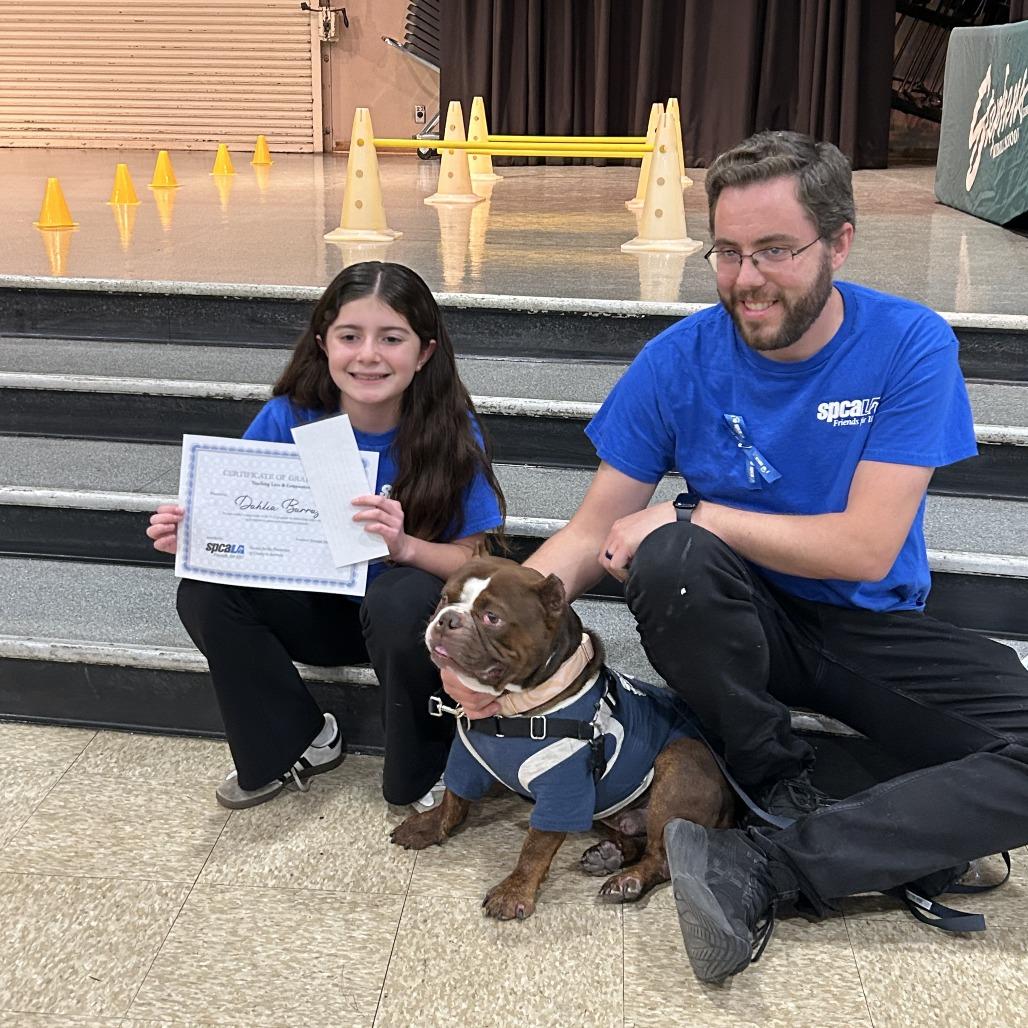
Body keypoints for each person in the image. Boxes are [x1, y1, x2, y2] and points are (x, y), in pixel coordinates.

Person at [443, 131, 1028, 982]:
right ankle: (776, 783)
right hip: (729, 629)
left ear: (840, 242)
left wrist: (697, 510)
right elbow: (589, 532)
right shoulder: (677, 359)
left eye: (776, 251)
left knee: (682, 533)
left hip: (865, 626)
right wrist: (493, 634)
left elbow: (865, 547)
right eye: (727, 251)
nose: (746, 279)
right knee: (673, 556)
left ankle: (776, 860)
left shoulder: (909, 344)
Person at [147, 261, 505, 811]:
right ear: (323, 343)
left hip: (404, 624)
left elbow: (477, 559)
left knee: (401, 593)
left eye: (391, 338)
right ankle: (298, 740)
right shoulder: (288, 418)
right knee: (203, 592)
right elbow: (240, 519)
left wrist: (405, 547)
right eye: (349, 336)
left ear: (424, 352)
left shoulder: (449, 429)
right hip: (317, 609)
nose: (368, 355)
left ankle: (427, 764)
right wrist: (197, 538)